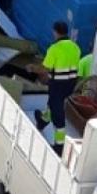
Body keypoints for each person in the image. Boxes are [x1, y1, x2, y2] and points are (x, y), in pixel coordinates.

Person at [33, 21, 82, 154]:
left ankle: (59, 146)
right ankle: (42, 120)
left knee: (57, 114)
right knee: (53, 103)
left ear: (55, 32)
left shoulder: (54, 49)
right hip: (71, 84)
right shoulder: (75, 47)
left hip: (58, 85)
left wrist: (32, 68)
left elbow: (45, 69)